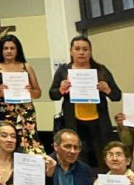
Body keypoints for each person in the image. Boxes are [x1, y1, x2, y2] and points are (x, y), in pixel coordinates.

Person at [49, 35, 121, 167]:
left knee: (102, 159)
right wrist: (61, 89)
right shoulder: (64, 70)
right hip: (74, 123)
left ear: (90, 51)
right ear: (71, 51)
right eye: (77, 49)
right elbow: (52, 95)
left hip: (98, 123)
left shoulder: (100, 70)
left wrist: (107, 90)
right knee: (78, 160)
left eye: (85, 49)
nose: (81, 52)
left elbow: (117, 95)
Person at [0, 34, 44, 154]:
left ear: (18, 50)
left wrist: (30, 91)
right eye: (6, 48)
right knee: (7, 143)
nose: (9, 51)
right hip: (6, 113)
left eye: (12, 48)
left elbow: (38, 92)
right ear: (1, 50)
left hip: (26, 114)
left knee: (29, 144)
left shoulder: (26, 67)